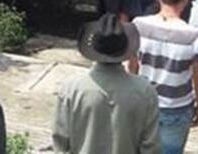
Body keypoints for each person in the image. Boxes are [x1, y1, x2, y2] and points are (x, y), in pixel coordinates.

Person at [53, 15, 159, 154]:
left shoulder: (72, 88)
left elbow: (60, 141)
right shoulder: (145, 91)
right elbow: (150, 145)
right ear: (126, 49)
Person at [131, 0, 198, 154]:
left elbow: (133, 67)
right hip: (177, 107)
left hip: (142, 102)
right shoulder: (195, 36)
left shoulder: (138, 25)